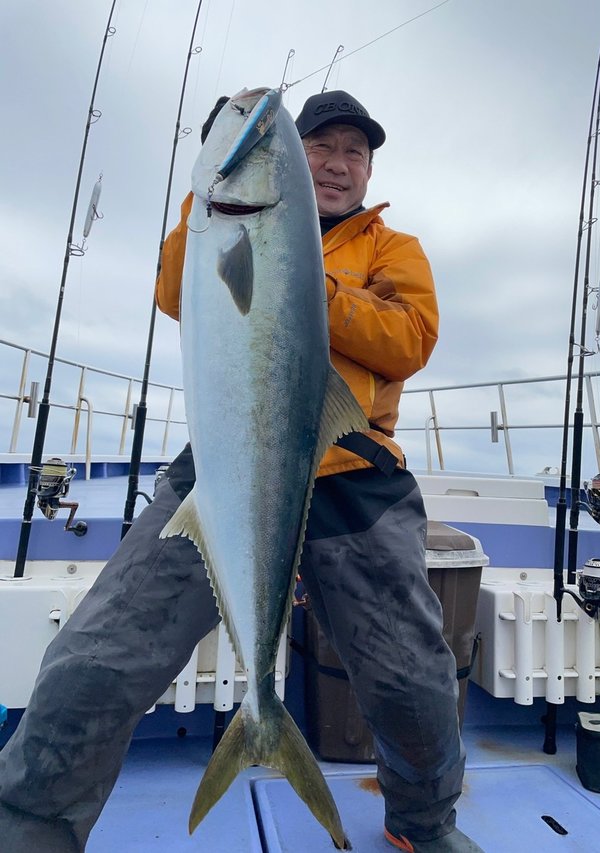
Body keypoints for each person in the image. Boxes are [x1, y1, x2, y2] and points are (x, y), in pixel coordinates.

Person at [0, 90, 483, 853]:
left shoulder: (392, 249)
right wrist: (219, 193)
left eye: (354, 153)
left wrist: (299, 280)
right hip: (223, 464)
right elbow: (171, 290)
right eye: (318, 146)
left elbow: (409, 337)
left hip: (354, 470)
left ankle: (423, 821)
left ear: (368, 172)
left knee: (413, 675)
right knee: (99, 651)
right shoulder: (216, 220)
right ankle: (29, 824)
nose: (336, 163)